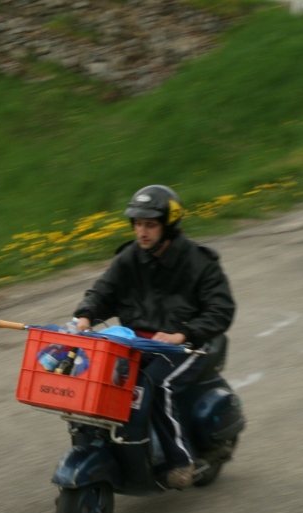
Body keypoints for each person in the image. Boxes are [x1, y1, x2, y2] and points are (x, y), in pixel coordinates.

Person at [72, 185, 235, 489]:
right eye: (137, 224)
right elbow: (103, 290)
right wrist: (84, 316)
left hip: (188, 347)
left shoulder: (199, 262)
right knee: (91, 374)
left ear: (168, 226)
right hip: (136, 342)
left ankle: (180, 459)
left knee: (156, 385)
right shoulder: (130, 257)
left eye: (150, 224)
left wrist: (183, 334)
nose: (142, 232)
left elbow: (222, 309)